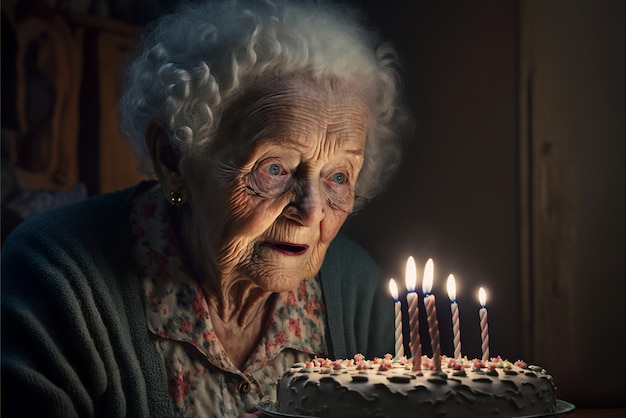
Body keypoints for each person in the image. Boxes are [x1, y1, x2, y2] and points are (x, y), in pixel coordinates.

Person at [1, 0, 413, 416]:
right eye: (274, 168)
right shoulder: (56, 275)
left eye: (338, 177)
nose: (310, 212)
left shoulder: (360, 291)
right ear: (173, 159)